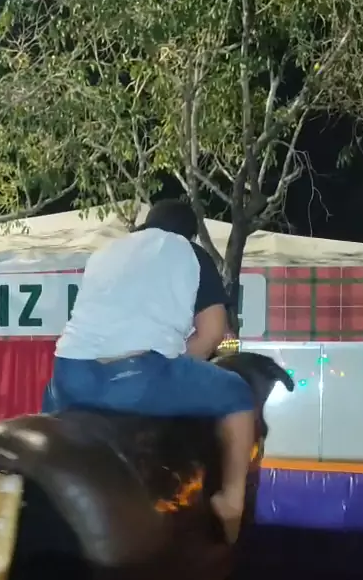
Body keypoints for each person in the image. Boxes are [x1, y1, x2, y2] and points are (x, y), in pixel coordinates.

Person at [43, 199, 255, 541]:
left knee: (50, 409)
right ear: (190, 234)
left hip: (68, 377)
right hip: (137, 378)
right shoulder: (190, 253)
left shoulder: (106, 251)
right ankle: (231, 500)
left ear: (146, 224)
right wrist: (178, 365)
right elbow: (213, 333)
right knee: (238, 394)